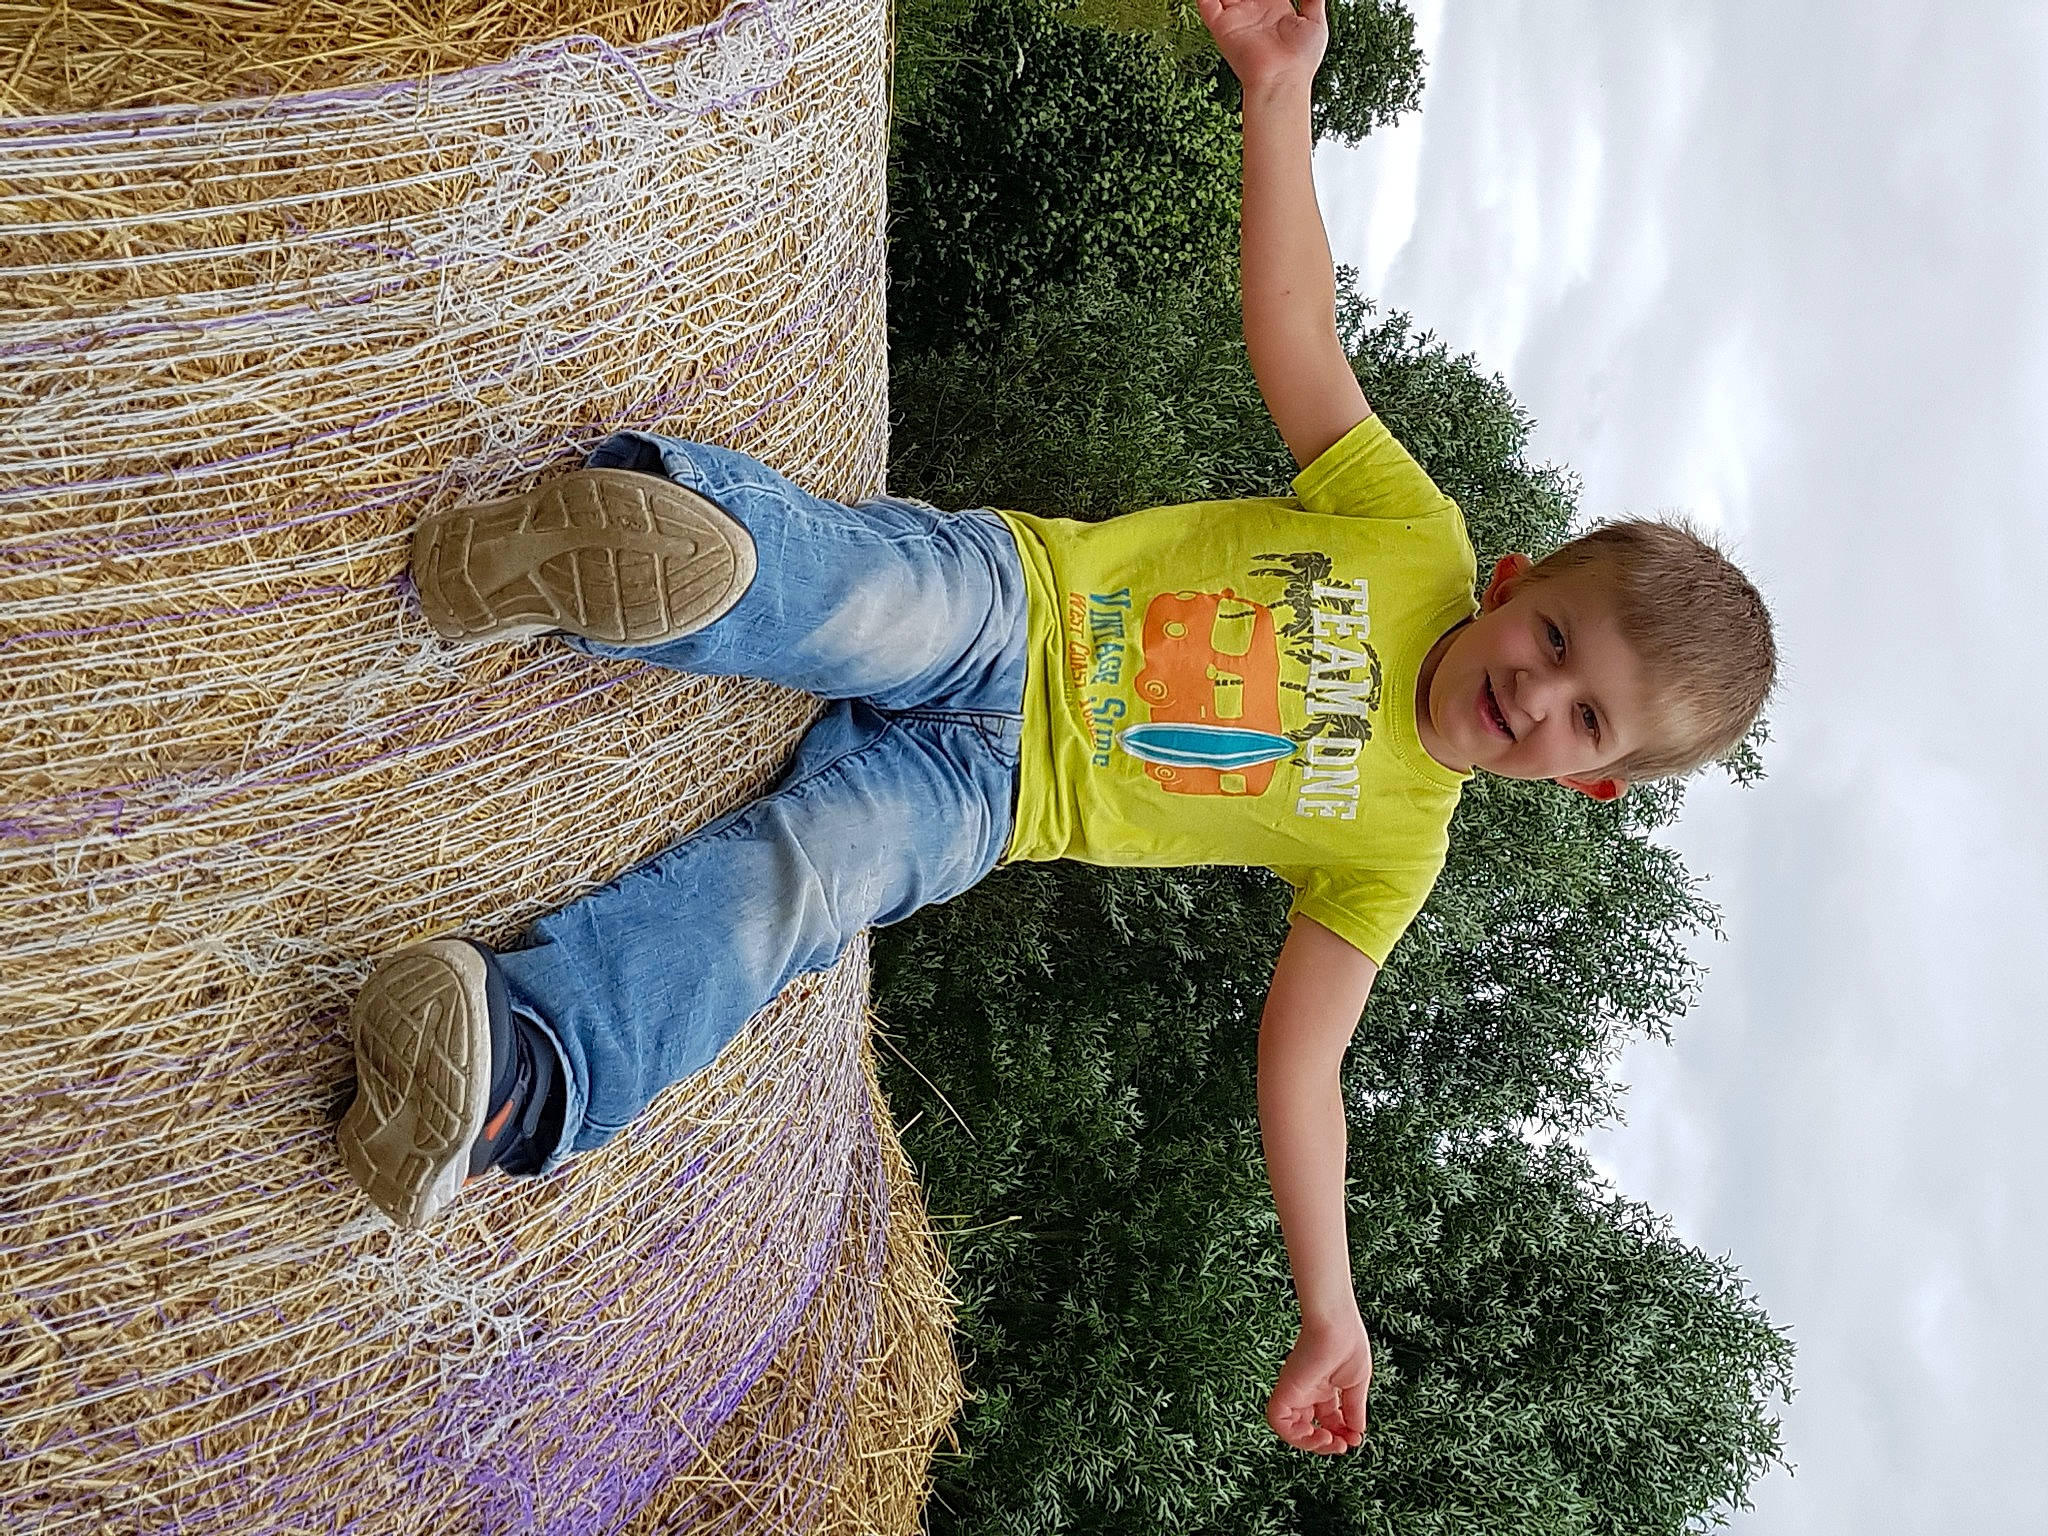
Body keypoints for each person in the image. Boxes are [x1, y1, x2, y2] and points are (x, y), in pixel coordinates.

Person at [336, 0, 1776, 1458]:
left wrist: (1330, 1305)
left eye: (1581, 714)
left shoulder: (1395, 854)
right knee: (865, 593)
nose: (1536, 690)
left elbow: (1302, 1070)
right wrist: (1280, 94)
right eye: (1553, 640)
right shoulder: (1414, 531)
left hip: (996, 794)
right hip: (1021, 603)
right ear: (1520, 582)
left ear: (1590, 782)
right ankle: (626, 548)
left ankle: (521, 1058)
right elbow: (1294, 326)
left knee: (812, 885)